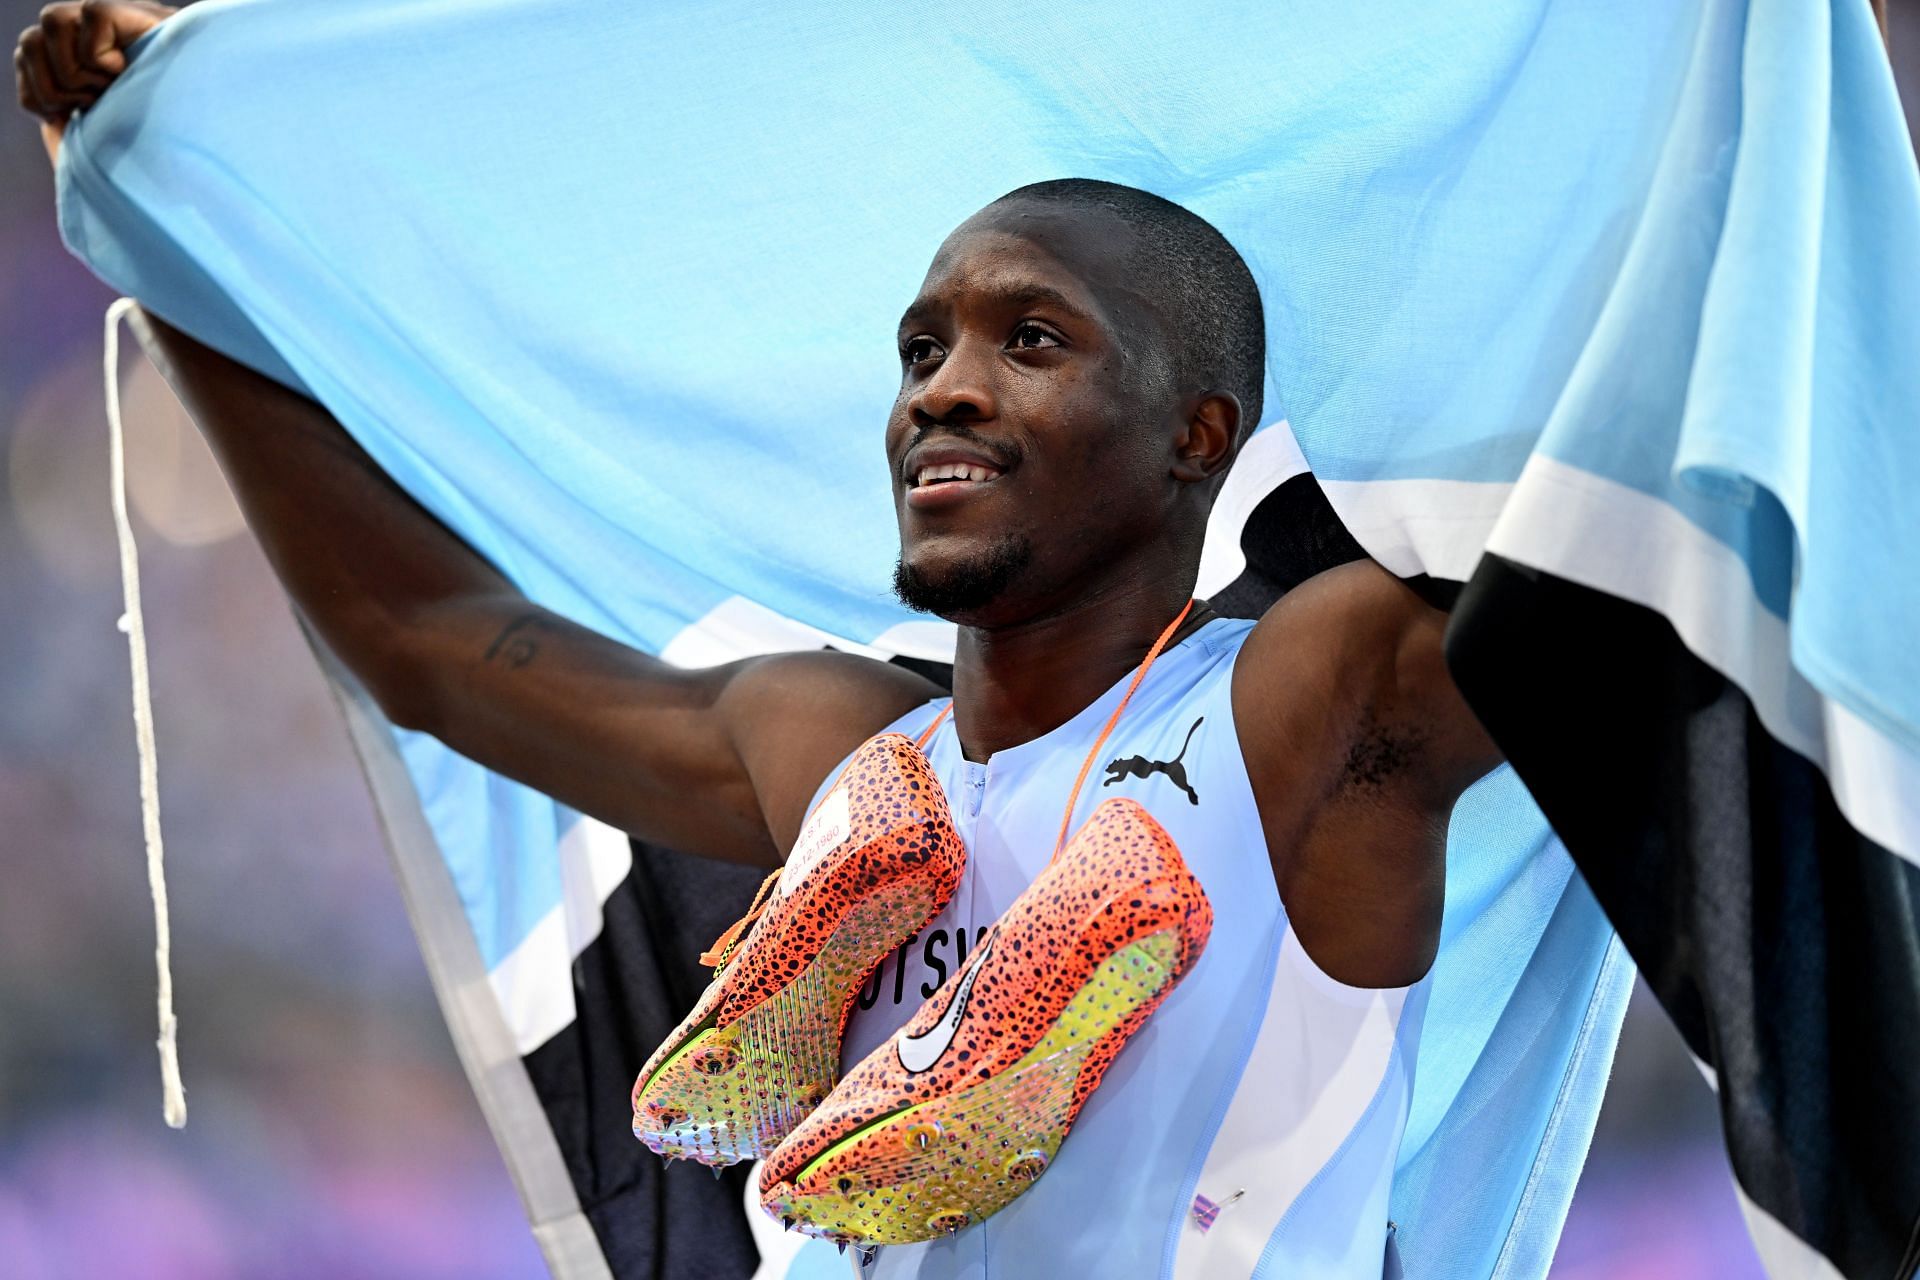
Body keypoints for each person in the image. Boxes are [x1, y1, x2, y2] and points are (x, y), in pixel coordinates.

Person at [18, 5, 1503, 1275]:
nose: (944, 392)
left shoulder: (1322, 689)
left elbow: (1605, 557)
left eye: (1031, 343)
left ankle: (1120, 884)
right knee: (873, 791)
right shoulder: (834, 741)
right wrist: (175, 245)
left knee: (1133, 774)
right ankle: (918, 956)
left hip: (1206, 801)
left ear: (1200, 435)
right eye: (923, 351)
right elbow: (428, 638)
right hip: (886, 824)